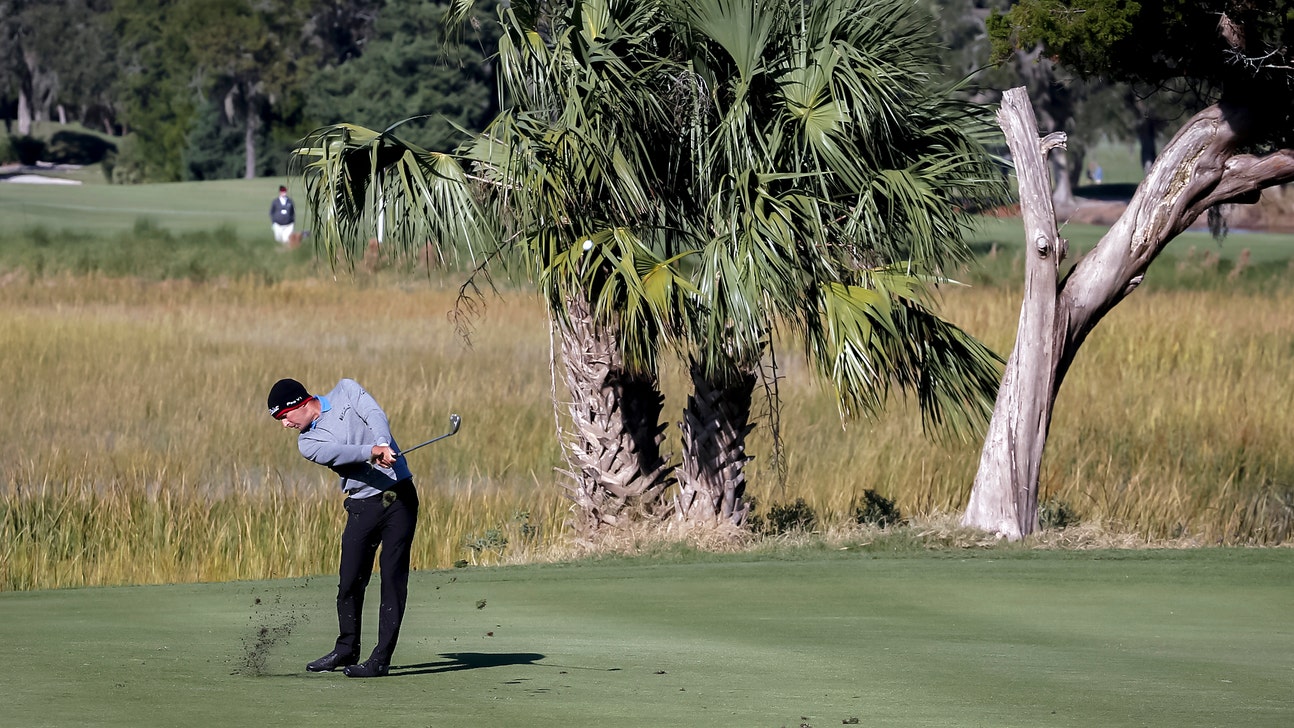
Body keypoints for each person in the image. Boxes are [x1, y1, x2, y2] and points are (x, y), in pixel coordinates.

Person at [267, 377, 419, 678]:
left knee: (392, 577)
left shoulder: (346, 390)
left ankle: (380, 659)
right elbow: (339, 453)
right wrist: (372, 452)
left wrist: (384, 443)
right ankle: (347, 647)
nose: (284, 425)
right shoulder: (308, 443)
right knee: (350, 579)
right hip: (363, 505)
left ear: (298, 404)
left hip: (397, 496)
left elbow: (374, 413)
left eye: (283, 417)